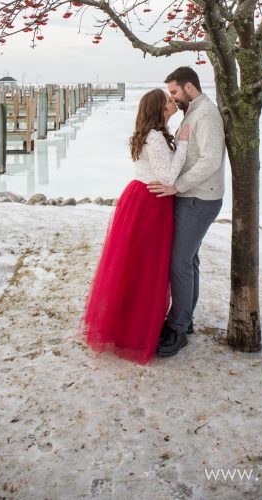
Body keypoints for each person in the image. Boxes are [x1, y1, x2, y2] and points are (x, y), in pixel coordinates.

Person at [78, 88, 189, 365]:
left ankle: (126, 324)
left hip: (139, 198)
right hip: (150, 204)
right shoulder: (154, 137)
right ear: (159, 108)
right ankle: (134, 331)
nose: (172, 101)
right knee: (146, 268)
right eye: (168, 99)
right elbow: (166, 175)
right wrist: (184, 144)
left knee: (133, 266)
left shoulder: (153, 134)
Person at [149, 66, 226, 357]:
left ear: (189, 87)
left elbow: (210, 161)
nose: (172, 98)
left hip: (199, 199)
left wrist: (176, 186)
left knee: (178, 263)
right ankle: (185, 320)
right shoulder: (193, 112)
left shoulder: (205, 115)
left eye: (174, 92)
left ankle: (178, 327)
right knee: (188, 261)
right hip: (193, 197)